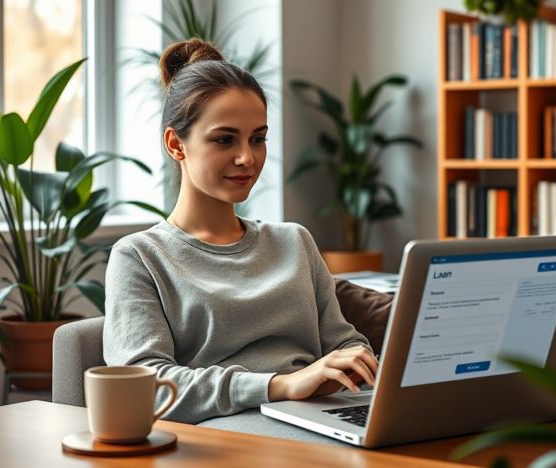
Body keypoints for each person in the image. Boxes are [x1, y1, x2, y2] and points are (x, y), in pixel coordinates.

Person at [103, 38, 378, 425]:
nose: (247, 158)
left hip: (323, 413)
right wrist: (280, 385)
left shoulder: (294, 241)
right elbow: (144, 386)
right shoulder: (140, 256)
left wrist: (355, 361)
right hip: (231, 424)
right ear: (175, 144)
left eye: (258, 138)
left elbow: (342, 339)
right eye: (224, 139)